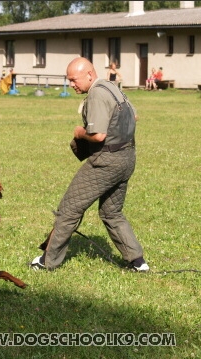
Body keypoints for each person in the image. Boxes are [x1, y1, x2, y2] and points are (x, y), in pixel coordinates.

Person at [30, 57, 149, 272]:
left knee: (69, 210)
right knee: (111, 212)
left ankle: (48, 262)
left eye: (74, 80)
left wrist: (79, 133)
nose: (72, 85)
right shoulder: (111, 87)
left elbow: (99, 135)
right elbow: (135, 116)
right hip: (127, 157)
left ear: (89, 75)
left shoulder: (96, 93)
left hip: (106, 162)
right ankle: (138, 262)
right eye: (69, 81)